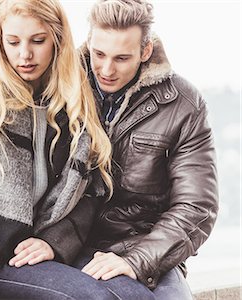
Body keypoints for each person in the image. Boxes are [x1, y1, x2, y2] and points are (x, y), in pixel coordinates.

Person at [0, 1, 156, 299]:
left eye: (38, 40)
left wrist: (53, 242)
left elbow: (88, 196)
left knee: (135, 295)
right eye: (13, 41)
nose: (25, 54)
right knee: (93, 297)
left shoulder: (69, 103)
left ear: (58, 40)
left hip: (36, 255)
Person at [73, 0, 219, 299]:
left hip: (148, 250)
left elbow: (197, 207)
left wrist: (136, 260)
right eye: (98, 54)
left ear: (146, 51)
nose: (106, 69)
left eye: (122, 58)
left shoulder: (184, 104)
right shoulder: (65, 89)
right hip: (71, 243)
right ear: (89, 43)